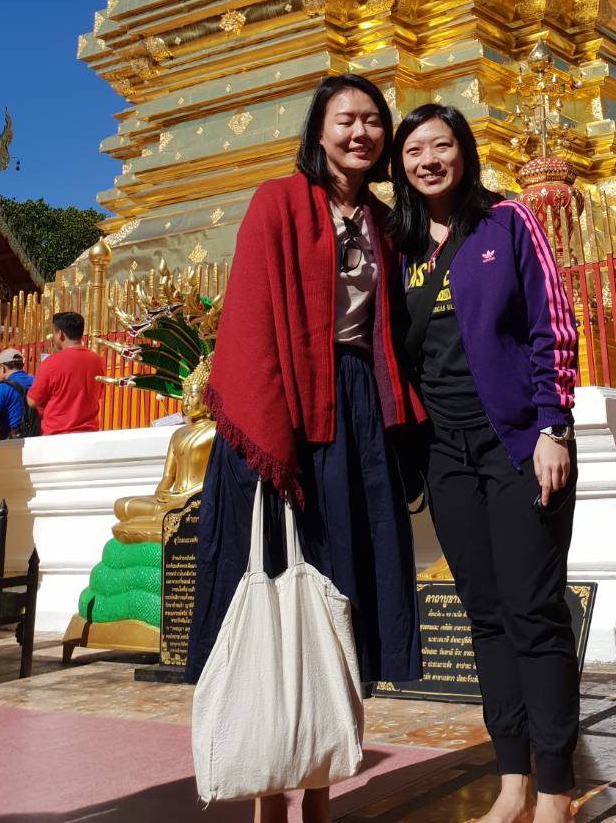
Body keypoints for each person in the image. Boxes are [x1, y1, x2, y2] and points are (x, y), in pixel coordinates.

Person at [186, 75, 424, 823]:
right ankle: (268, 803)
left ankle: (317, 795)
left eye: (372, 122)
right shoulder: (277, 202)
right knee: (278, 605)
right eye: (346, 120)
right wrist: (269, 442)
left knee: (338, 602)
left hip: (357, 417)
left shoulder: (385, 222)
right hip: (286, 421)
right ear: (318, 130)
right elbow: (252, 320)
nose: (361, 133)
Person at [389, 104, 579, 823]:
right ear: (401, 164)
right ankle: (511, 782)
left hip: (518, 441)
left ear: (464, 152)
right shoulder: (400, 244)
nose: (429, 158)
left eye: (442, 145)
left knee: (533, 612)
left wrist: (552, 425)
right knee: (487, 616)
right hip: (445, 453)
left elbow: (551, 324)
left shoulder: (508, 221)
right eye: (415, 150)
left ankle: (555, 790)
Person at [26, 312, 104, 435]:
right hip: (89, 433)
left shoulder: (51, 362)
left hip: (56, 434)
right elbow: (98, 395)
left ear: (60, 334)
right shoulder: (98, 361)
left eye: (54, 333)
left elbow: (32, 401)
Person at [0, 349, 35, 439]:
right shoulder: (34, 381)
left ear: (2, 368)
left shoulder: (2, 387)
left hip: (13, 439)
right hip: (36, 436)